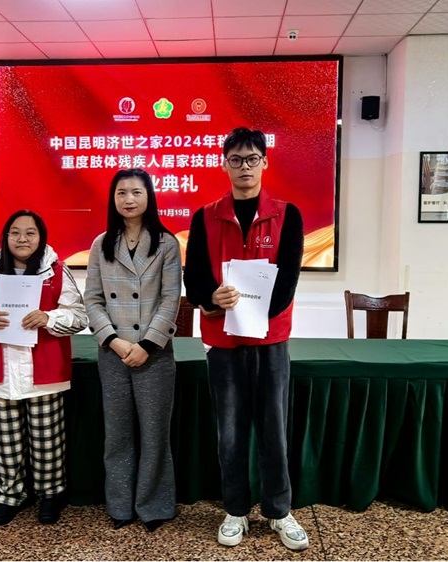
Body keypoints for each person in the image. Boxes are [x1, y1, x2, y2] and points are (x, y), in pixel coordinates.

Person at [183, 127, 307, 550]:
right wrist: (210, 298)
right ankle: (235, 510)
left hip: (270, 341)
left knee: (274, 430)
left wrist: (251, 316)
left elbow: (286, 282)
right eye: (235, 160)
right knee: (230, 433)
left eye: (252, 159)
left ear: (265, 162)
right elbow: (195, 278)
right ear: (224, 165)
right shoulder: (205, 216)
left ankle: (279, 511)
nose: (244, 167)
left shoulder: (288, 215)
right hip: (223, 344)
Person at [0, 209, 88, 526]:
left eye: (30, 233)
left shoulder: (56, 271)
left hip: (45, 369)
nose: (22, 239)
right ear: (6, 237)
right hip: (3, 369)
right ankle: (11, 494)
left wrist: (49, 318)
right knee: (8, 442)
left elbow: (79, 316)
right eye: (15, 232)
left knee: (47, 441)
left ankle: (51, 494)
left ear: (41, 237)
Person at [84, 168, 182, 532]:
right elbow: (92, 299)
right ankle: (120, 505)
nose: (128, 199)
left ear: (149, 197)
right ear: (113, 198)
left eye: (136, 192)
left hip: (154, 353)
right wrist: (113, 340)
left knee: (155, 434)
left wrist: (146, 344)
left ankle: (154, 506)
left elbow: (171, 299)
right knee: (118, 433)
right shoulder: (101, 244)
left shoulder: (167, 243)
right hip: (113, 351)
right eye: (121, 192)